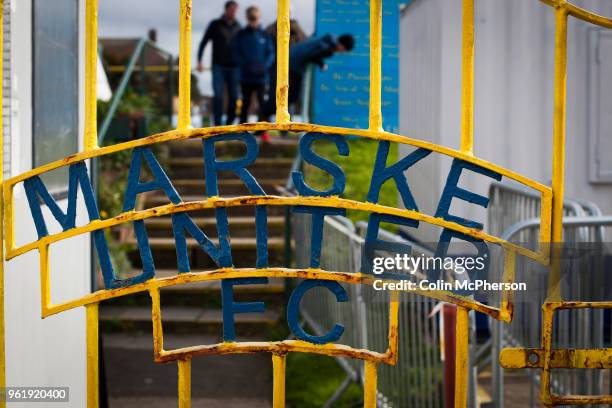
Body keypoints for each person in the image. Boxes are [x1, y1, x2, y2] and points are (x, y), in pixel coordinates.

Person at [197, 1, 241, 126]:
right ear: (226, 10)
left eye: (236, 11)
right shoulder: (215, 25)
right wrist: (199, 61)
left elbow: (244, 46)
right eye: (232, 10)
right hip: (218, 66)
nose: (234, 13)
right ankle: (217, 125)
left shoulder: (238, 26)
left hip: (235, 67)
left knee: (234, 97)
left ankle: (229, 123)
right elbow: (203, 42)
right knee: (218, 95)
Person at [232, 6, 274, 131]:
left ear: (259, 18)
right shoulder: (241, 35)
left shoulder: (265, 35)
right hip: (246, 76)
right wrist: (245, 64)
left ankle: (263, 130)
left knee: (262, 103)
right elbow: (235, 52)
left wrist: (264, 66)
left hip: (261, 77)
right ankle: (242, 130)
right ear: (247, 18)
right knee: (245, 102)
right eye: (250, 18)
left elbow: (271, 53)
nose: (253, 21)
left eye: (254, 18)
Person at [287, 33, 355, 106]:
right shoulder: (327, 48)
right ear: (342, 45)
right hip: (294, 64)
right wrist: (322, 64)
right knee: (293, 95)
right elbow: (312, 55)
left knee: (291, 93)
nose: (341, 52)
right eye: (344, 50)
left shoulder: (328, 40)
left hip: (291, 58)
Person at [262, 16, 307, 121]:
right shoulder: (271, 28)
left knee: (289, 96)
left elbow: (303, 42)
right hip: (274, 68)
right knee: (274, 95)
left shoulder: (296, 28)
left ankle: (286, 124)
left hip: (291, 69)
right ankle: (265, 120)